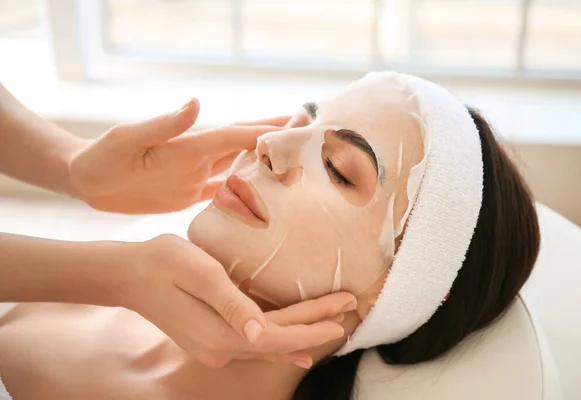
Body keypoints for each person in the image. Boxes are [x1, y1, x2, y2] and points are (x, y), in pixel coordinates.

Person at [0, 72, 540, 400]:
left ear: (397, 286)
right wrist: (69, 166)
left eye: (337, 168)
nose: (272, 146)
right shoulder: (87, 292)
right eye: (299, 121)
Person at [0, 82, 354, 373]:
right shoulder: (52, 316)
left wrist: (70, 163)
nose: (267, 144)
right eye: (293, 126)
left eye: (336, 169)